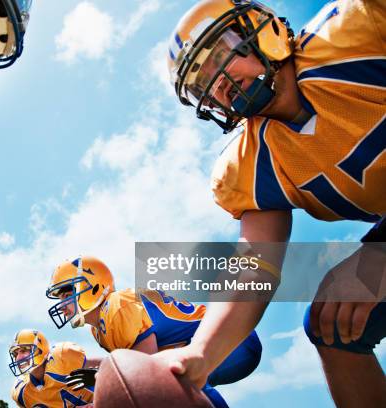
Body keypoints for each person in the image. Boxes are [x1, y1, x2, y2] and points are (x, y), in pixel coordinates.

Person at [164, 0, 385, 406]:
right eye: (205, 85)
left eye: (218, 58)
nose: (220, 85)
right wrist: (200, 354)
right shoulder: (252, 163)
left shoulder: (356, 32)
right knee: (333, 323)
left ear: (259, 30)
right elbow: (254, 270)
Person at [46, 256, 263, 408]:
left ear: (92, 285)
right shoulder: (100, 327)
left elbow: (144, 366)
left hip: (233, 339)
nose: (62, 303)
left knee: (164, 382)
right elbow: (129, 360)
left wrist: (100, 379)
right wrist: (78, 364)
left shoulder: (116, 307)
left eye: (67, 294)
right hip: (212, 344)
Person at [9, 329, 95, 408]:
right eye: (15, 354)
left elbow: (106, 365)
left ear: (40, 349)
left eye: (23, 350)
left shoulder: (61, 357)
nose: (18, 358)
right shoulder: (22, 391)